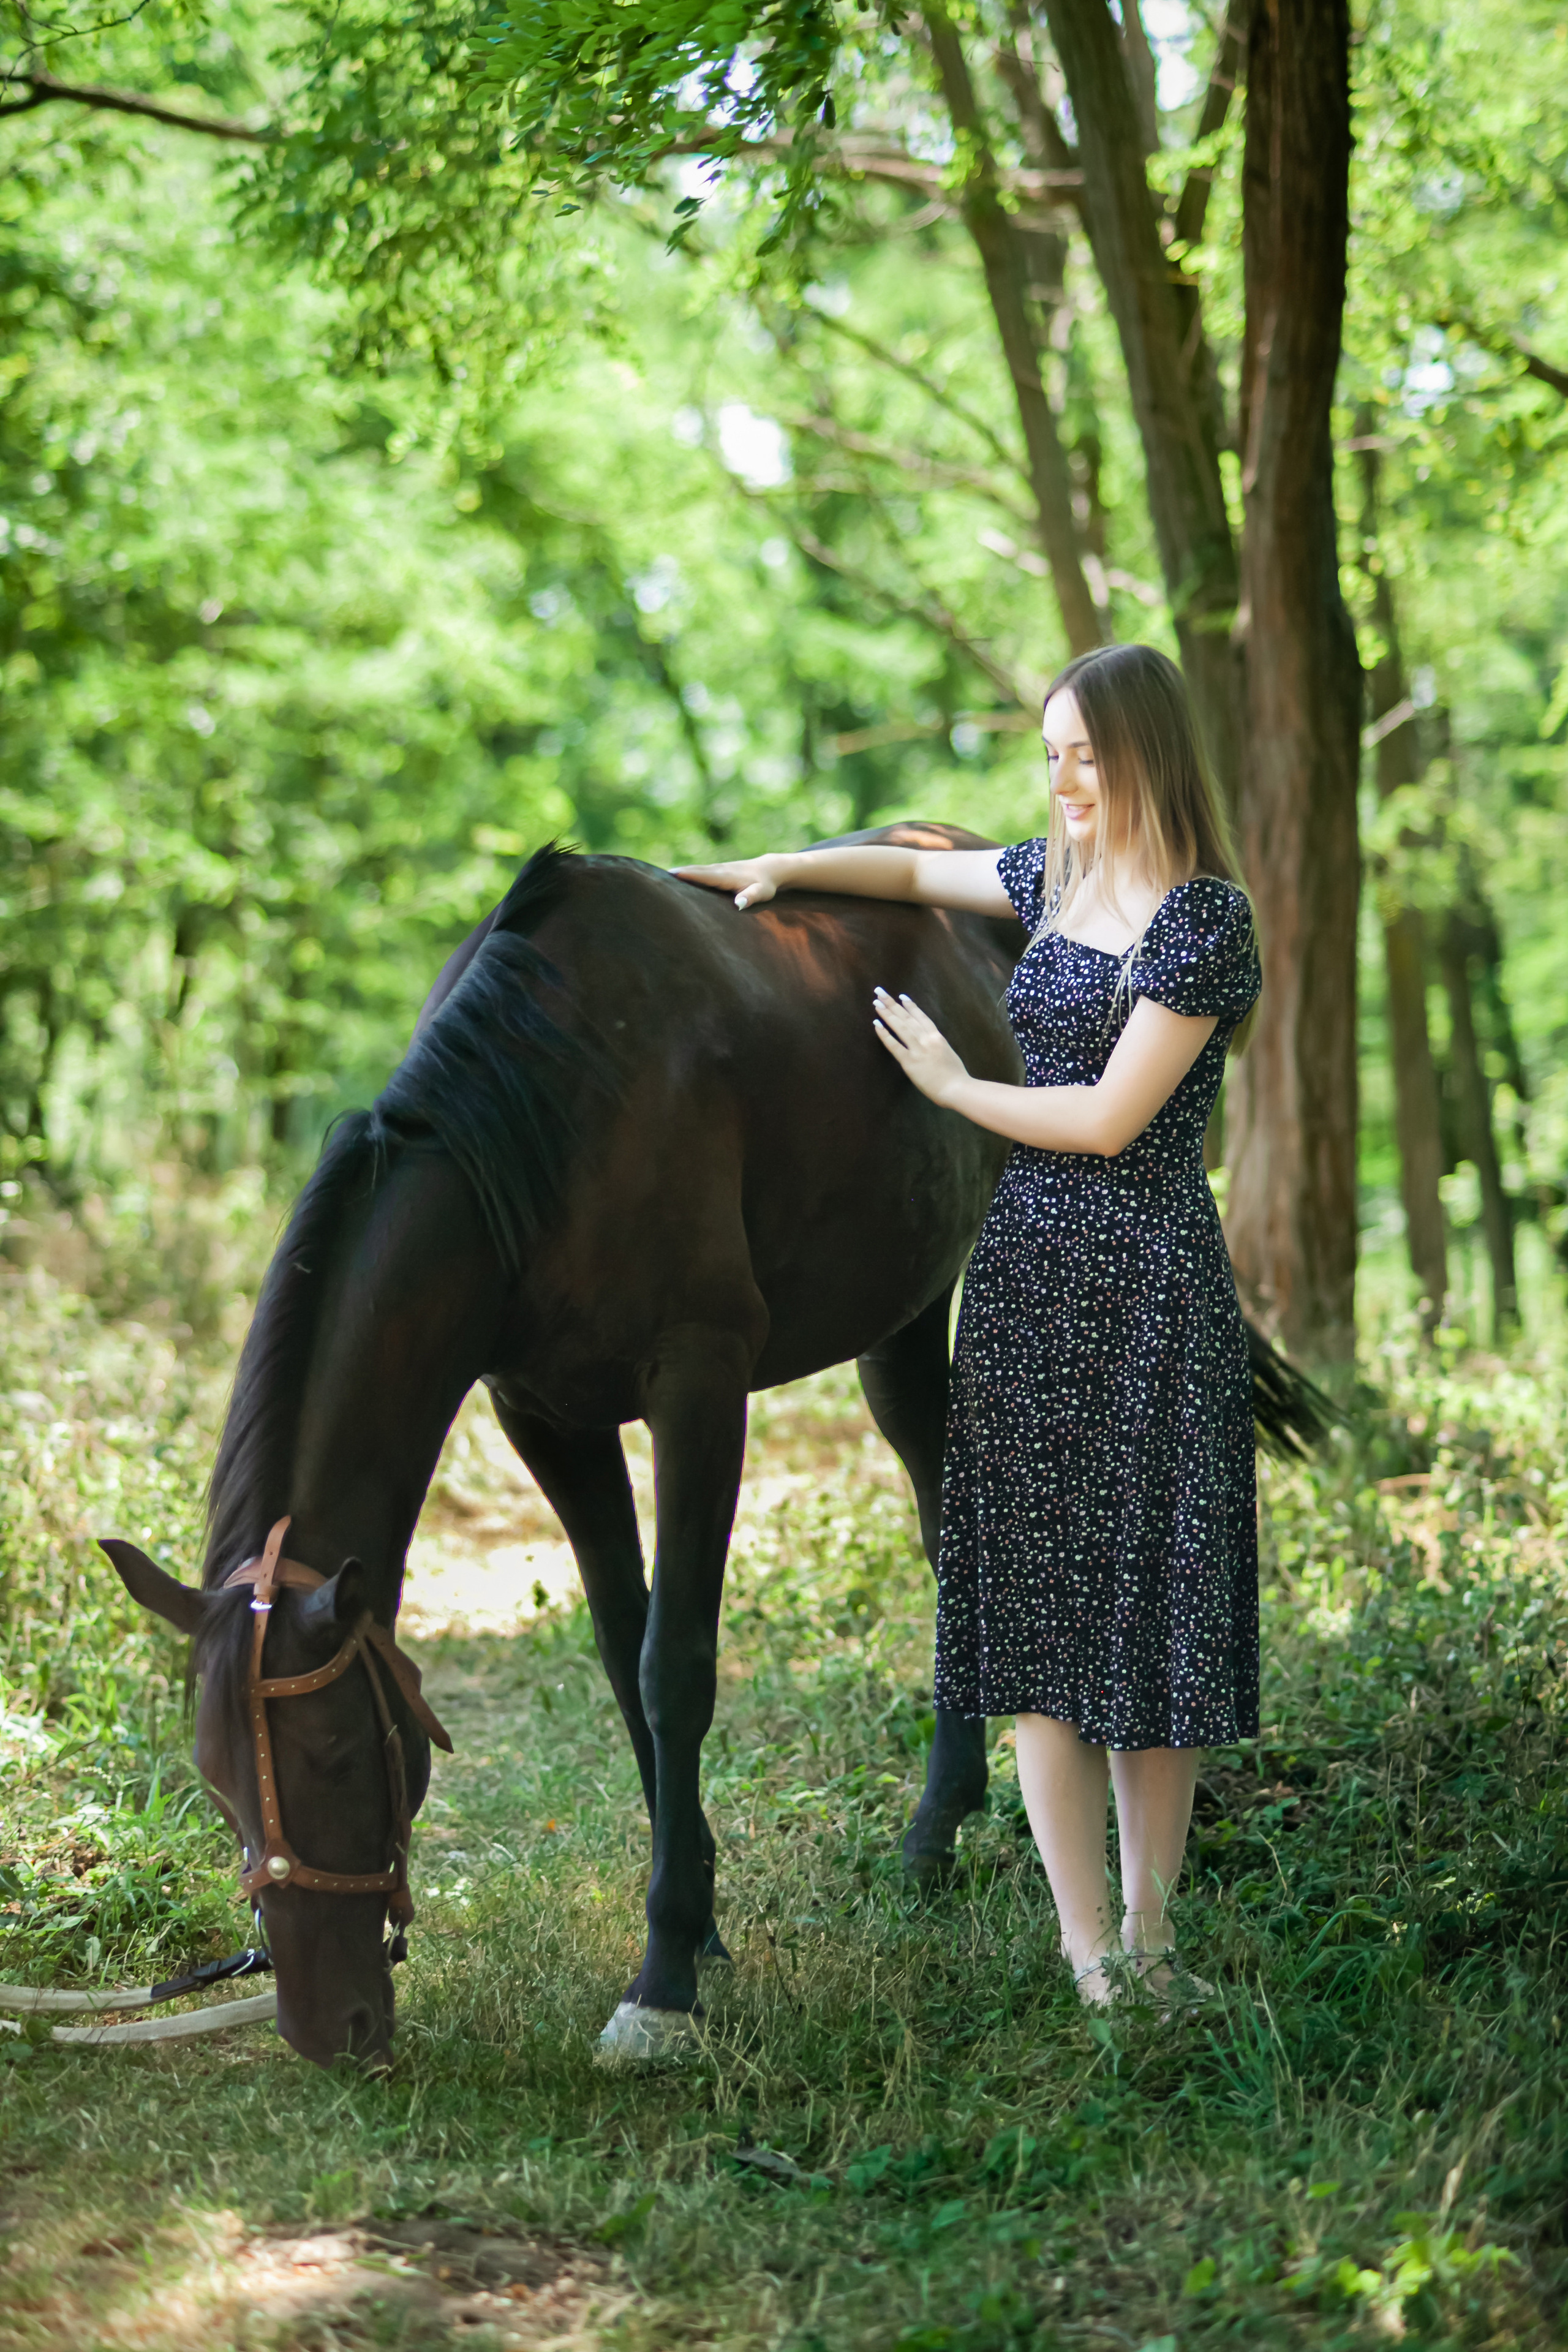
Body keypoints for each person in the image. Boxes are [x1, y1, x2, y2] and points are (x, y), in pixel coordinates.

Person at [674, 643, 1261, 2008]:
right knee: (1040, 1630)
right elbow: (905, 870)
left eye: (1085, 756)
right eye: (1047, 754)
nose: (1060, 780)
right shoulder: (1047, 881)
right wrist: (771, 870)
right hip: (1023, 1283)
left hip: (1148, 1280)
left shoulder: (1199, 920)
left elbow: (1111, 1120)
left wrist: (949, 1087)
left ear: (1148, 756)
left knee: (1149, 1624)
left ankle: (1154, 1941)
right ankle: (1087, 1958)